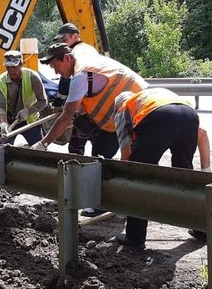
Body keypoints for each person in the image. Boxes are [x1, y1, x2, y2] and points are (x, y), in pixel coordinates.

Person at [111, 88, 200, 249]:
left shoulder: (122, 108)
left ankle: (134, 237)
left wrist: (124, 181)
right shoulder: (144, 97)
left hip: (160, 115)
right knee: (185, 176)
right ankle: (202, 229)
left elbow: (126, 152)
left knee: (139, 175)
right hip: (190, 114)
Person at [51, 23, 101, 157]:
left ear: (75, 36)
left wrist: (58, 104)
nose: (63, 43)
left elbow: (66, 80)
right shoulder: (88, 49)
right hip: (91, 104)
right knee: (80, 144)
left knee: (82, 145)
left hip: (89, 107)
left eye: (65, 39)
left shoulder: (75, 53)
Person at [0, 50, 48, 146]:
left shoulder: (33, 77)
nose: (11, 71)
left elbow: (43, 101)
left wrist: (27, 111)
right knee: (3, 149)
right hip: (11, 120)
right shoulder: (0, 82)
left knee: (38, 148)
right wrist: (3, 123)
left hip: (30, 121)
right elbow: (1, 105)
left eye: (14, 67)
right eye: (8, 67)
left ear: (21, 64)